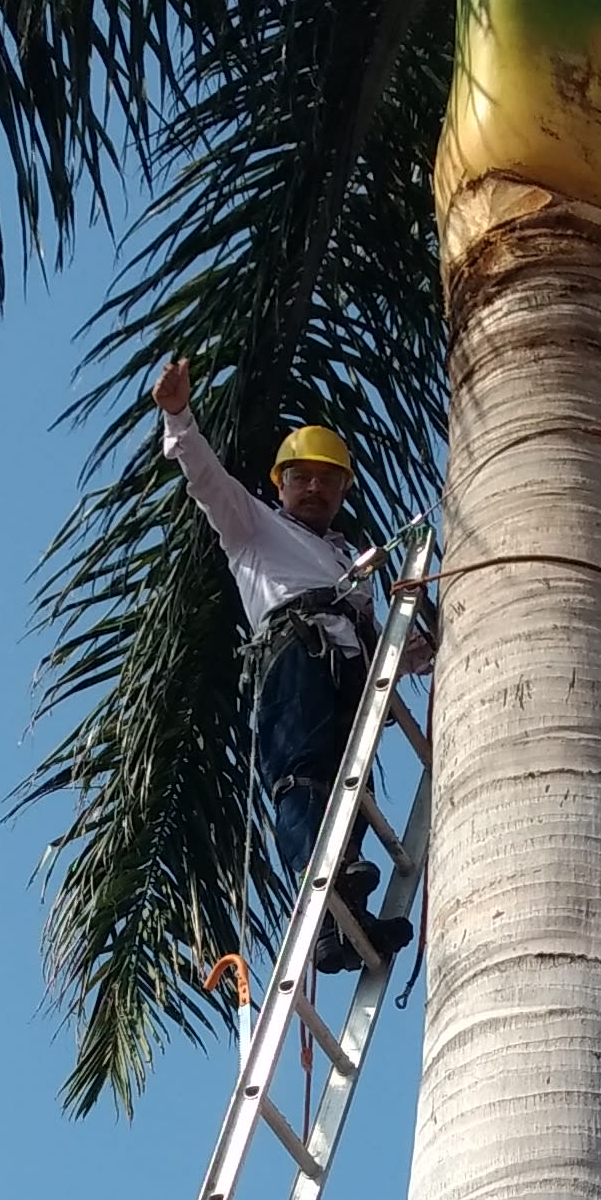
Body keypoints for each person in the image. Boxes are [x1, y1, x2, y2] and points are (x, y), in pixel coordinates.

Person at [153, 356, 406, 972]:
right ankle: (328, 881)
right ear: (280, 484)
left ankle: (341, 934)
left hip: (350, 676)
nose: (314, 488)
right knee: (303, 778)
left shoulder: (352, 566)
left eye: (327, 479)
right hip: (295, 660)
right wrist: (178, 416)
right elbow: (208, 481)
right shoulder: (255, 530)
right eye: (301, 477)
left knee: (355, 793)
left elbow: (382, 644)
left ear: (343, 489)